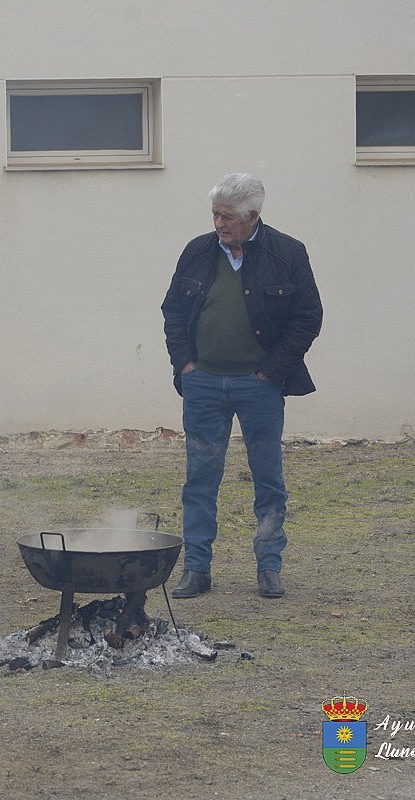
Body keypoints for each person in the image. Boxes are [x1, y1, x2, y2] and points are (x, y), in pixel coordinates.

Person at [161, 173, 323, 600]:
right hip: (202, 384)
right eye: (215, 215)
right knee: (199, 479)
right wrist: (186, 365)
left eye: (228, 216)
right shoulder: (197, 252)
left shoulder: (287, 253)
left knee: (268, 479)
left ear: (252, 216)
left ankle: (269, 567)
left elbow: (307, 317)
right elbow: (173, 311)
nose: (219, 224)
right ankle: (196, 569)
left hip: (259, 386)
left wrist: (271, 372)